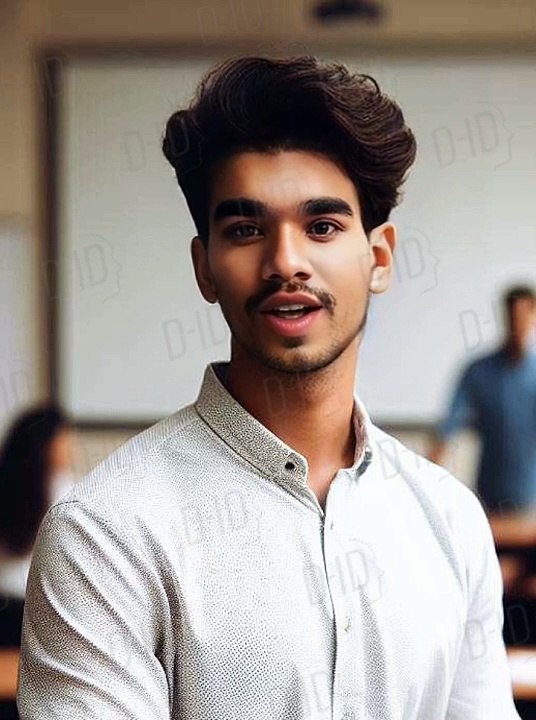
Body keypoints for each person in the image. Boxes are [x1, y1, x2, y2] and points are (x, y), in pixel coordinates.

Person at [17, 56, 519, 719]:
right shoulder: (105, 533)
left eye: (322, 226)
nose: (286, 261)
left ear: (379, 258)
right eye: (246, 230)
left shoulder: (450, 520)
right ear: (205, 268)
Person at [429, 285, 536, 513]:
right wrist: (424, 483)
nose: (519, 325)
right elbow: (448, 427)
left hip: (530, 498)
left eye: (524, 317)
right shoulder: (479, 371)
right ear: (505, 316)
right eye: (514, 317)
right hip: (489, 497)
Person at [0, 404, 75, 646]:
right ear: (46, 444)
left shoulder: (7, 480)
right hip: (35, 608)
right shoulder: (62, 489)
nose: (70, 446)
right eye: (64, 438)